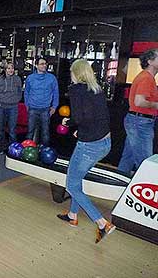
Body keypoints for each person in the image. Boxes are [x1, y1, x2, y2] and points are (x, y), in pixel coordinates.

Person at [57, 59, 115, 244]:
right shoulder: (96, 89)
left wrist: (69, 122)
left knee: (72, 185)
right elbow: (98, 117)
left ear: (77, 73)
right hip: (105, 143)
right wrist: (80, 129)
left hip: (89, 146)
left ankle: (101, 223)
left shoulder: (76, 89)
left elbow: (80, 117)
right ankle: (73, 214)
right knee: (77, 178)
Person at [118, 48, 158, 175]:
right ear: (150, 61)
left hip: (137, 121)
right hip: (140, 122)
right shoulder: (146, 78)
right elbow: (139, 101)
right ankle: (146, 190)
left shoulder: (146, 77)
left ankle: (118, 184)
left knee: (128, 158)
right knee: (145, 161)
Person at [24, 57, 59, 145]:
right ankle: (27, 151)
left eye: (45, 64)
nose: (44, 66)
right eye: (42, 64)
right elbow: (26, 92)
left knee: (45, 133)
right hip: (32, 109)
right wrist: (27, 105)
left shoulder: (52, 78)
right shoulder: (30, 78)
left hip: (45, 109)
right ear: (36, 66)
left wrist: (54, 106)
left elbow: (56, 93)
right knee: (30, 132)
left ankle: (44, 152)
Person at [0, 62, 23, 154]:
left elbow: (19, 92)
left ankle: (13, 151)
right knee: (1, 130)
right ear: (5, 69)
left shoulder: (17, 79)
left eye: (12, 68)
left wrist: (16, 100)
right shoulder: (0, 79)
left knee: (12, 130)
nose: (10, 70)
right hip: (1, 107)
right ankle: (0, 148)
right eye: (8, 68)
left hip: (13, 107)